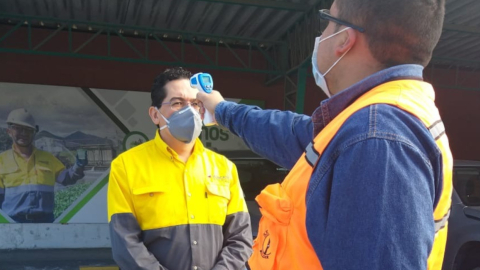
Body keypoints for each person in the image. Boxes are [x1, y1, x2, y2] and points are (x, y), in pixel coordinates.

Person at [197, 0, 452, 269]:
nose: (323, 35)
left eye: (329, 21)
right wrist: (221, 109)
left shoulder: (377, 139)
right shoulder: (367, 120)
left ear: (344, 39)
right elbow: (290, 133)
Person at [107, 67, 252, 270]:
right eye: (177, 103)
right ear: (155, 115)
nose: (190, 111)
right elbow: (126, 244)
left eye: (195, 103)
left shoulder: (224, 167)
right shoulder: (126, 166)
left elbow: (240, 238)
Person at [0, 108, 87, 223]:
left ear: (34, 132)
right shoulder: (2, 160)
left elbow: (67, 178)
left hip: (45, 222)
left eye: (28, 130)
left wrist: (78, 166)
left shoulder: (48, 158)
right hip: (13, 223)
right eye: (18, 129)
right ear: (9, 131)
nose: (24, 133)